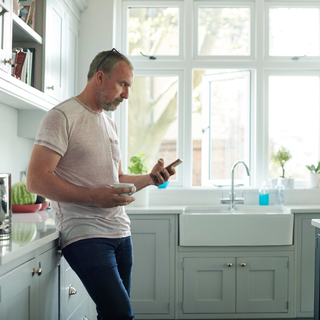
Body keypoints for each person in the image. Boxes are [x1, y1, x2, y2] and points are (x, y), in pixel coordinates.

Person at [26, 48, 176, 320]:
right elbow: (36, 180)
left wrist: (149, 179)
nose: (127, 95)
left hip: (121, 232)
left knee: (113, 315)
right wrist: (95, 198)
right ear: (99, 77)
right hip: (84, 233)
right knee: (120, 314)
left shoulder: (109, 124)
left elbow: (116, 180)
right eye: (123, 85)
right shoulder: (61, 117)